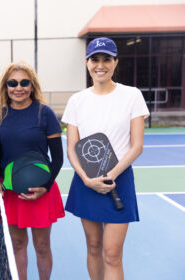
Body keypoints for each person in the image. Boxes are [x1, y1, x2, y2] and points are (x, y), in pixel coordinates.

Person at [61, 37, 150, 280]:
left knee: (111, 254)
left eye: (106, 59)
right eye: (95, 59)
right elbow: (72, 148)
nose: (100, 65)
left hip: (119, 180)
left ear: (115, 62)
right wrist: (87, 179)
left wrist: (110, 175)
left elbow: (137, 146)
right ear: (87, 63)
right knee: (93, 247)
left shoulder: (132, 96)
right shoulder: (77, 100)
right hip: (86, 182)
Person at [0, 61, 65, 280]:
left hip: (40, 189)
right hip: (10, 191)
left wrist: (45, 187)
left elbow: (57, 158)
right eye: (12, 83)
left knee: (42, 246)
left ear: (32, 86)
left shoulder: (45, 113)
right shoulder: (0, 116)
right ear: (6, 87)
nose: (18, 88)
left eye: (24, 82)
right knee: (17, 244)